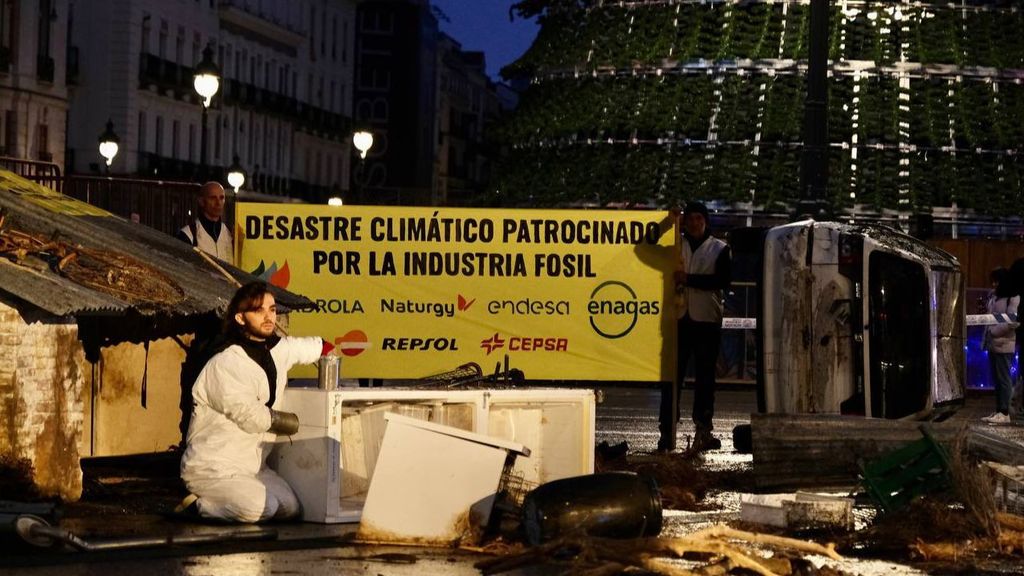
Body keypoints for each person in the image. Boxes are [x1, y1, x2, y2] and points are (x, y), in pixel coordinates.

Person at [177, 282, 333, 523]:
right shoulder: (225, 362)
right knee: (260, 509)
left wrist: (329, 346)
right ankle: (199, 505)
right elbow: (250, 415)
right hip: (214, 467)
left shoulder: (277, 351)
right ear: (240, 318)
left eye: (272, 309)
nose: (269, 316)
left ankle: (240, 497)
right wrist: (290, 422)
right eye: (259, 311)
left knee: (290, 508)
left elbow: (307, 347)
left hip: (253, 468)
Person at [658, 201, 731, 452]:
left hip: (706, 321)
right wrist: (669, 221)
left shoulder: (720, 249)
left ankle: (703, 429)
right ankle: (667, 431)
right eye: (689, 219)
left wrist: (688, 280)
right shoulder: (676, 244)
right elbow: (646, 242)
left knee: (705, 379)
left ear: (706, 221)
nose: (694, 223)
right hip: (678, 319)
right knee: (671, 379)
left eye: (698, 218)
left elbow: (723, 280)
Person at [983, 267, 1019, 425]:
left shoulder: (1013, 297)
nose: (994, 284)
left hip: (1004, 343)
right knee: (997, 379)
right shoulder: (995, 295)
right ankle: (999, 410)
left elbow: (1012, 322)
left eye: (996, 281)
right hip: (993, 343)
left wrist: (994, 331)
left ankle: (1005, 412)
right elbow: (991, 315)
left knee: (1004, 379)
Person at [176, 181, 233, 261]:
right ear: (201, 201)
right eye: (213, 198)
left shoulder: (230, 234)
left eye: (221, 198)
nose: (218, 203)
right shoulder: (188, 235)